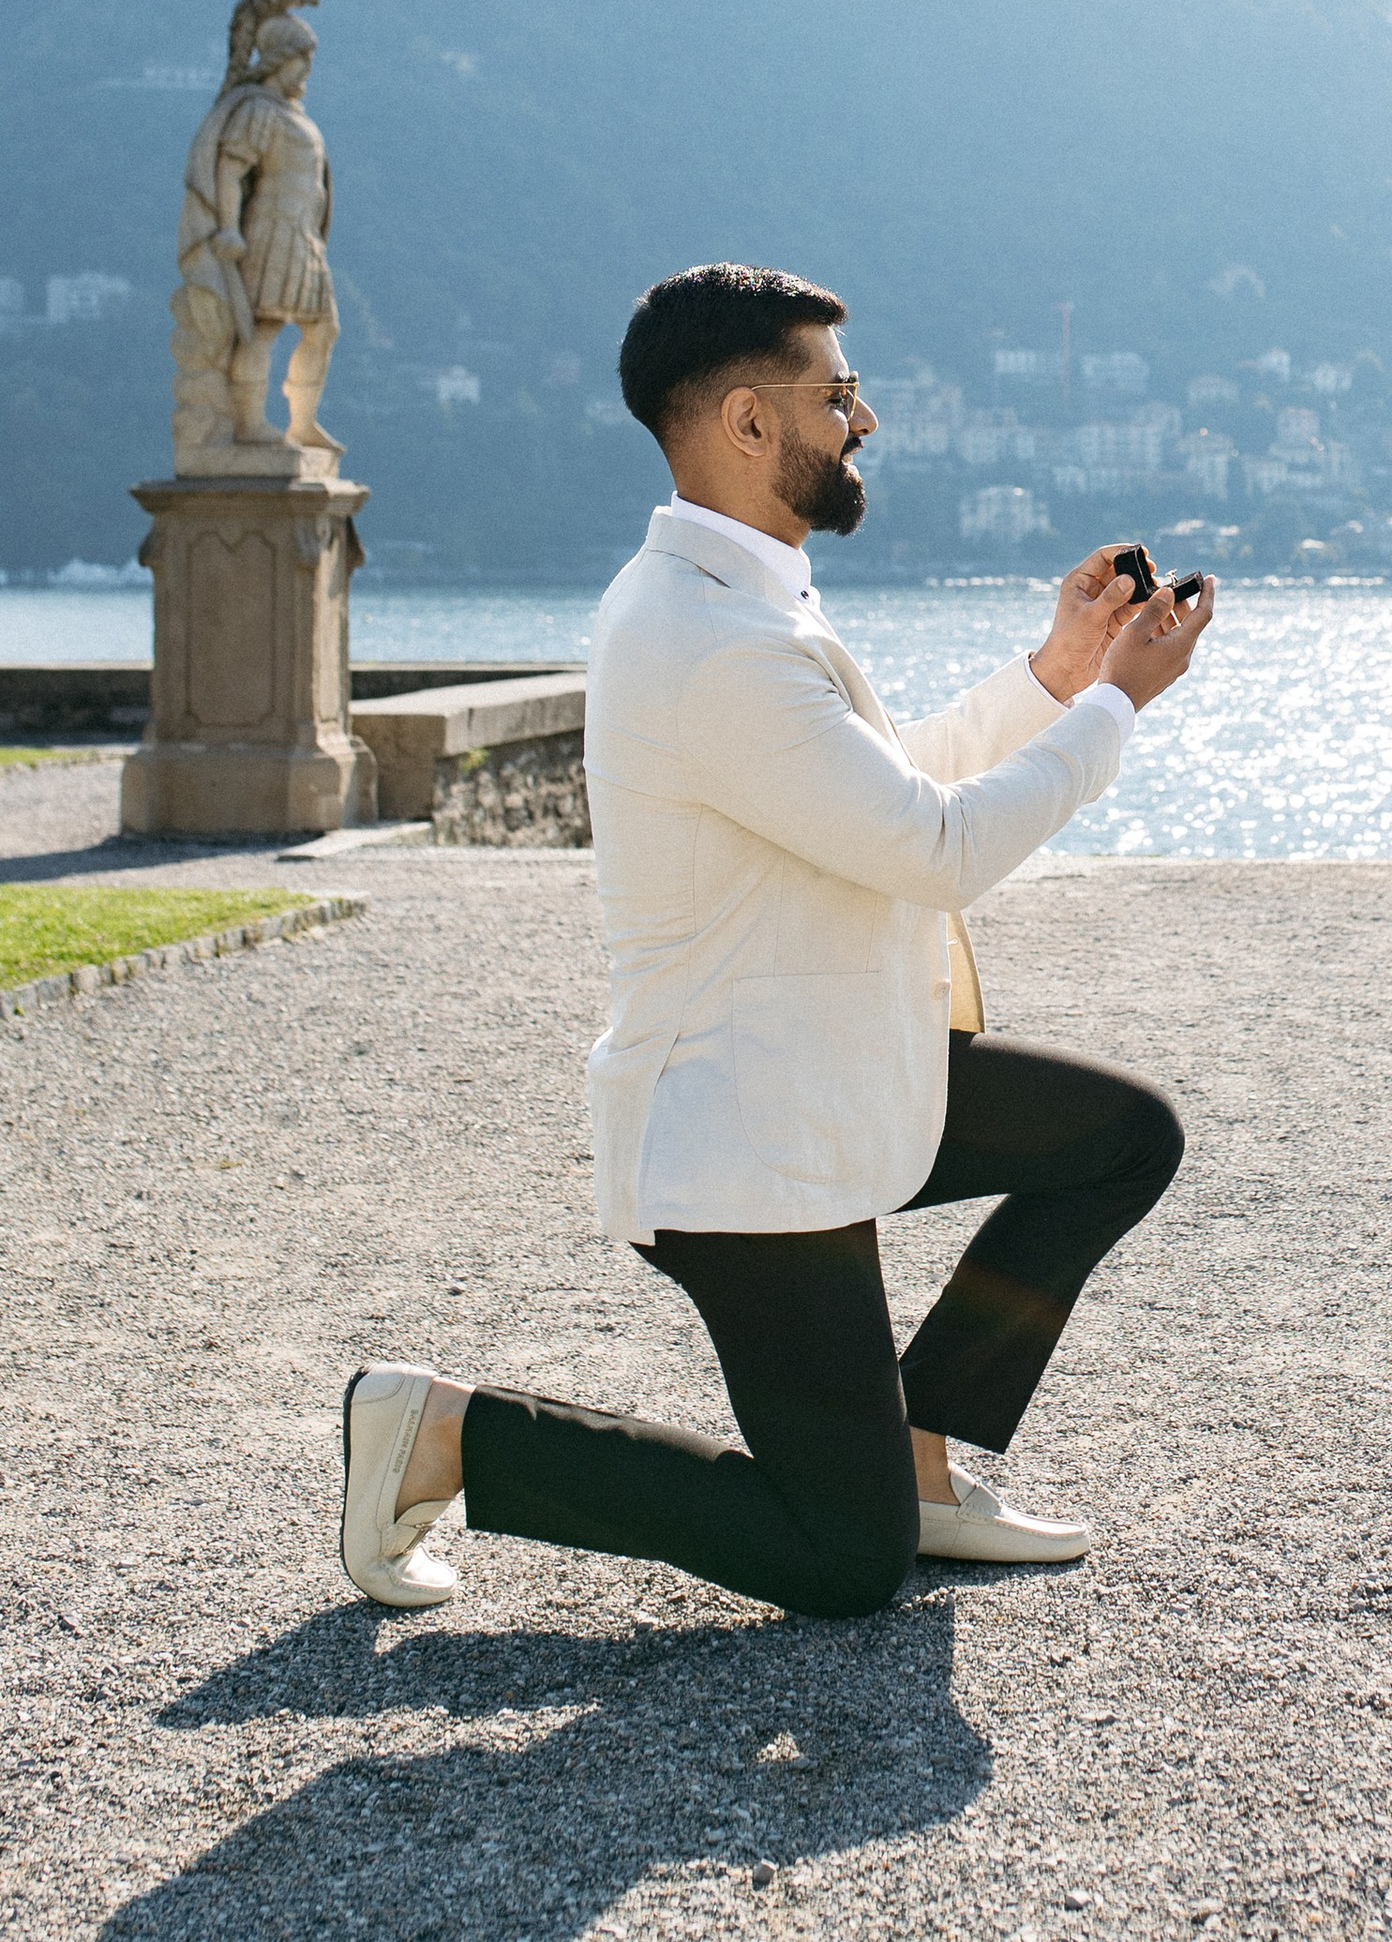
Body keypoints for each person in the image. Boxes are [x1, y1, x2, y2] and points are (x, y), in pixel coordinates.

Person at [338, 262, 1213, 1622]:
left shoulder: (739, 602)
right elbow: (935, 847)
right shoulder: (711, 636)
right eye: (838, 393)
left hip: (826, 1076)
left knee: (1120, 1138)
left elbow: (888, 791)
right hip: (744, 1138)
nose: (864, 421)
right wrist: (1115, 708)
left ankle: (919, 1454)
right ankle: (446, 1434)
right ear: (750, 422)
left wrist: (1059, 674)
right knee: (840, 1560)